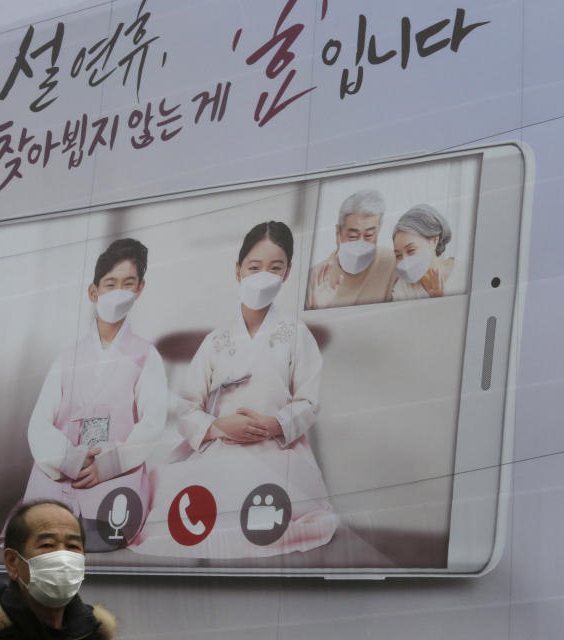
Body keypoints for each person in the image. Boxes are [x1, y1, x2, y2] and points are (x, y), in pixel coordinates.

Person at [133, 221, 337, 558]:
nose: (263, 275)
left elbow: (309, 401)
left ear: (286, 274)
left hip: (276, 448)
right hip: (220, 445)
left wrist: (272, 425)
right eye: (254, 267)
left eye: (276, 267)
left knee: (263, 495)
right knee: (189, 502)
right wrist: (218, 427)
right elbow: (187, 406)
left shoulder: (296, 335)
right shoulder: (216, 341)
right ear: (238, 271)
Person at [20, 238, 168, 522]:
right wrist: (71, 461)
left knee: (107, 525)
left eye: (128, 284)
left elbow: (152, 424)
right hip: (62, 471)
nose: (119, 292)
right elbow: (39, 422)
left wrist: (108, 464)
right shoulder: (68, 357)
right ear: (93, 291)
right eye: (110, 284)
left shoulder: (146, 356)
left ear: (140, 289)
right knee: (42, 527)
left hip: (116, 471)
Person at [0, 500, 117, 639]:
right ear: (13, 562)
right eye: (47, 544)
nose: (63, 557)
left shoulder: (94, 633)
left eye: (73, 546)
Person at [306, 189, 398, 309]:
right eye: (353, 236)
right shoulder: (315, 278)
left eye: (369, 235)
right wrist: (316, 309)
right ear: (338, 233)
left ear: (378, 232)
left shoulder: (392, 263)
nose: (361, 244)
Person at [391, 204, 460, 300]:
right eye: (398, 255)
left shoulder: (465, 273)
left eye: (411, 250)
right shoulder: (402, 288)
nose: (405, 262)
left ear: (434, 241)